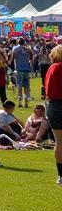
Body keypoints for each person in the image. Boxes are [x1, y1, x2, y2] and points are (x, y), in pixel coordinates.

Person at [45, 44, 62, 185]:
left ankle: (61, 175)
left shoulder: (53, 68)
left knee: (59, 142)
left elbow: (48, 89)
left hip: (54, 105)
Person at [10, 39, 33, 108]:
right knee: (26, 86)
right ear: (24, 42)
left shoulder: (15, 48)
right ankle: (26, 102)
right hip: (26, 68)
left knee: (19, 85)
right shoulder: (27, 49)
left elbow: (12, 56)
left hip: (19, 69)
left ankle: (20, 102)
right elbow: (32, 55)